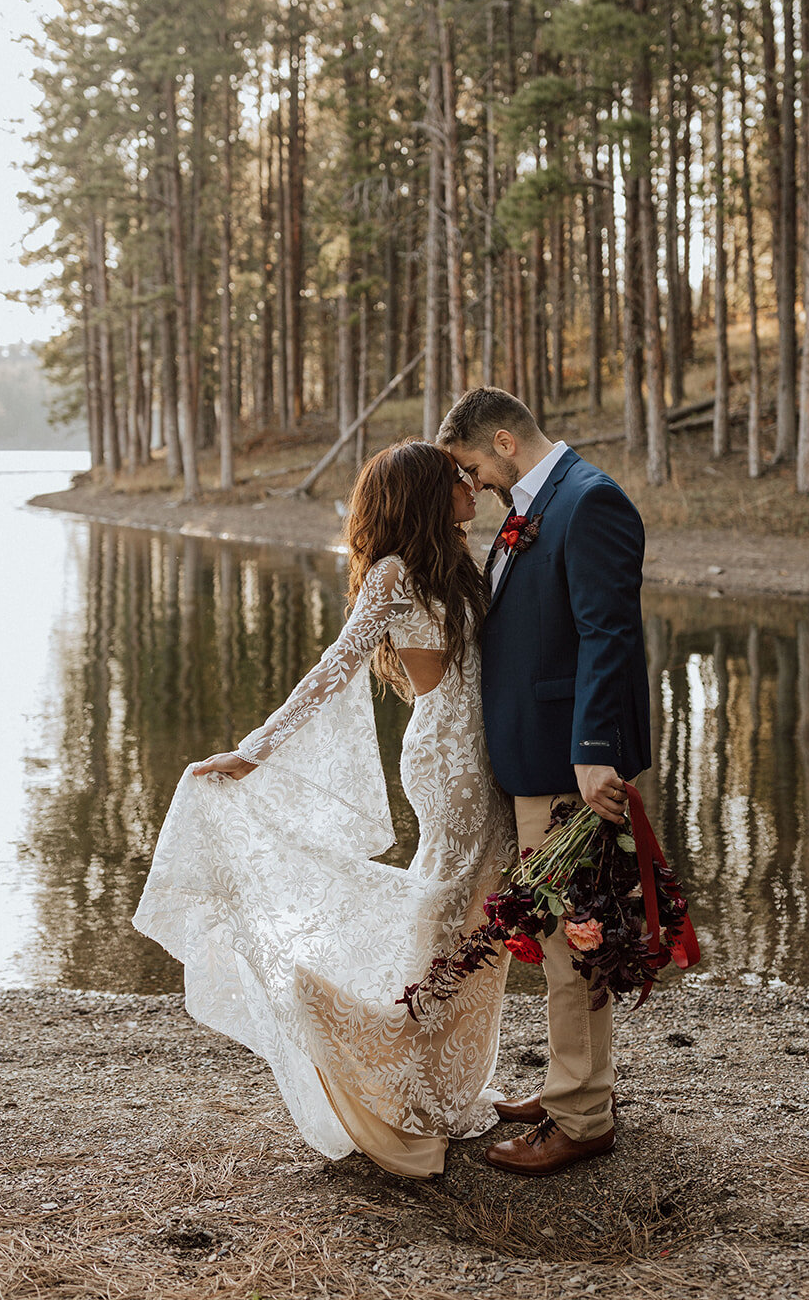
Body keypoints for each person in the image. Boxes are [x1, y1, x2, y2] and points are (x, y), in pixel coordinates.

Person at [133, 441, 515, 1180]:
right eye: (456, 479)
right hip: (451, 764)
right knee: (449, 920)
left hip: (486, 755)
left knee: (477, 921)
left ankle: (442, 1086)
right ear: (423, 497)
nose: (471, 485)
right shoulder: (395, 573)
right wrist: (255, 749)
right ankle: (384, 1074)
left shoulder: (456, 561)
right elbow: (335, 665)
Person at [438, 386, 652, 1176]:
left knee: (572, 944)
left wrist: (594, 749)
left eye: (470, 467)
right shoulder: (536, 504)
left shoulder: (588, 501)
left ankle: (581, 1117)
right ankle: (576, 1086)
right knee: (570, 937)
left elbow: (608, 635)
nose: (473, 484)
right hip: (538, 754)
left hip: (570, 763)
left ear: (501, 440)